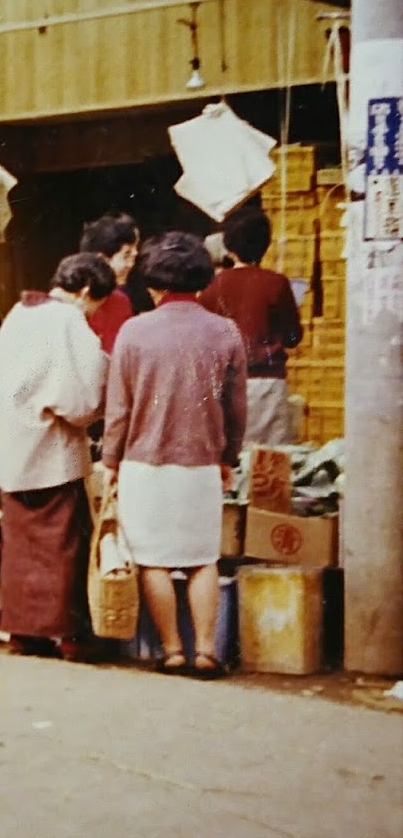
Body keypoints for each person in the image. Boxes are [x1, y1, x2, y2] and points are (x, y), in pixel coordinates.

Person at [103, 232, 247, 678]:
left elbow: (118, 410)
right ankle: (206, 651)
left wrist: (109, 462)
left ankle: (172, 651)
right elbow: (235, 408)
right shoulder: (225, 332)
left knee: (153, 559)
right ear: (202, 279)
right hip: (201, 464)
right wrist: (229, 456)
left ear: (153, 283)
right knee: (204, 556)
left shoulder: (134, 331)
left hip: (143, 465)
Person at [0, 252, 113, 660]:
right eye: (96, 305)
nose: (92, 313)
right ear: (87, 291)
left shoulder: (20, 313)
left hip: (9, 443)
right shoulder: (67, 320)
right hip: (50, 444)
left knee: (21, 542)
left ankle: (24, 631)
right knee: (63, 541)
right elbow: (81, 394)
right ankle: (69, 634)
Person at [199, 206, 303, 446]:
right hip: (268, 383)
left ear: (229, 246)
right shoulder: (276, 283)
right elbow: (293, 337)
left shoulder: (212, 287)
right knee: (269, 464)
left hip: (224, 383)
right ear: (266, 243)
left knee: (229, 461)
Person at [79, 213, 142, 351]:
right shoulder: (75, 300)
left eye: (134, 256)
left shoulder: (122, 301)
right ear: (102, 259)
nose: (131, 264)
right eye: (126, 255)